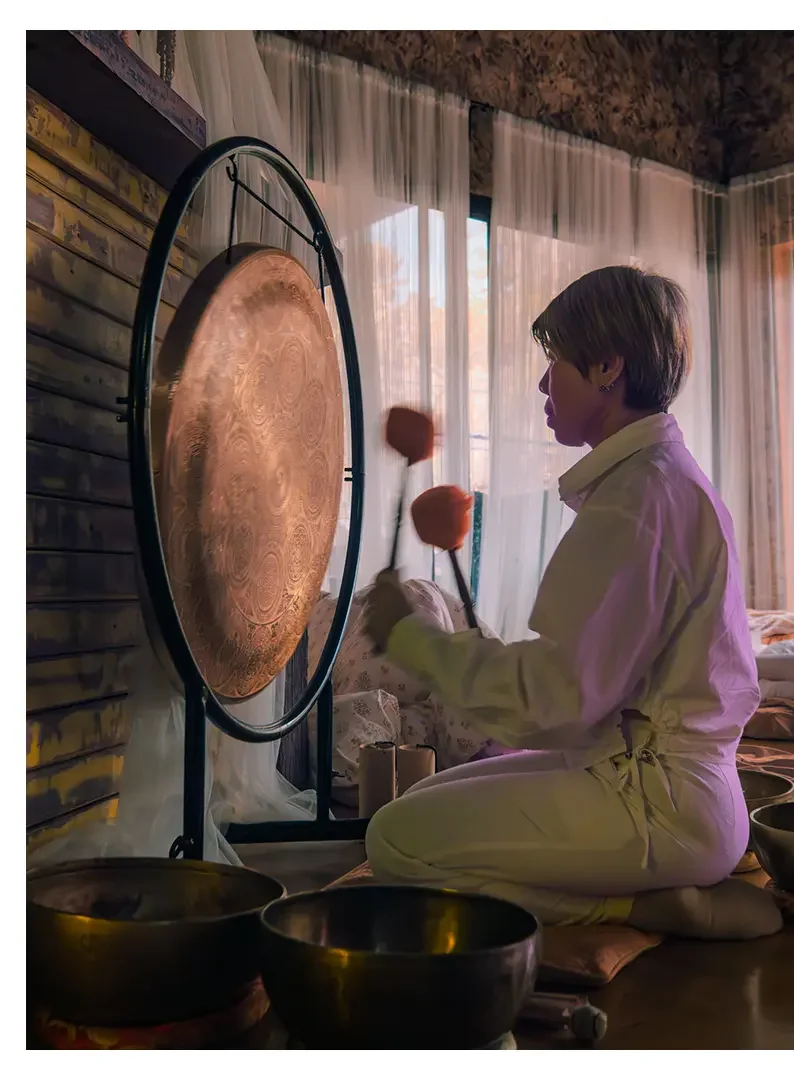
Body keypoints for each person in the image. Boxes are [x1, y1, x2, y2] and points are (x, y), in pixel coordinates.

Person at [363, 265, 782, 939]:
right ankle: (660, 887)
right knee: (420, 800)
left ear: (608, 365)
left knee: (396, 841)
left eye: (554, 359)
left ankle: (648, 909)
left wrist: (412, 638)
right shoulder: (656, 480)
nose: (542, 382)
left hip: (660, 803)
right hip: (655, 780)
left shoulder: (636, 502)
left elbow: (550, 703)